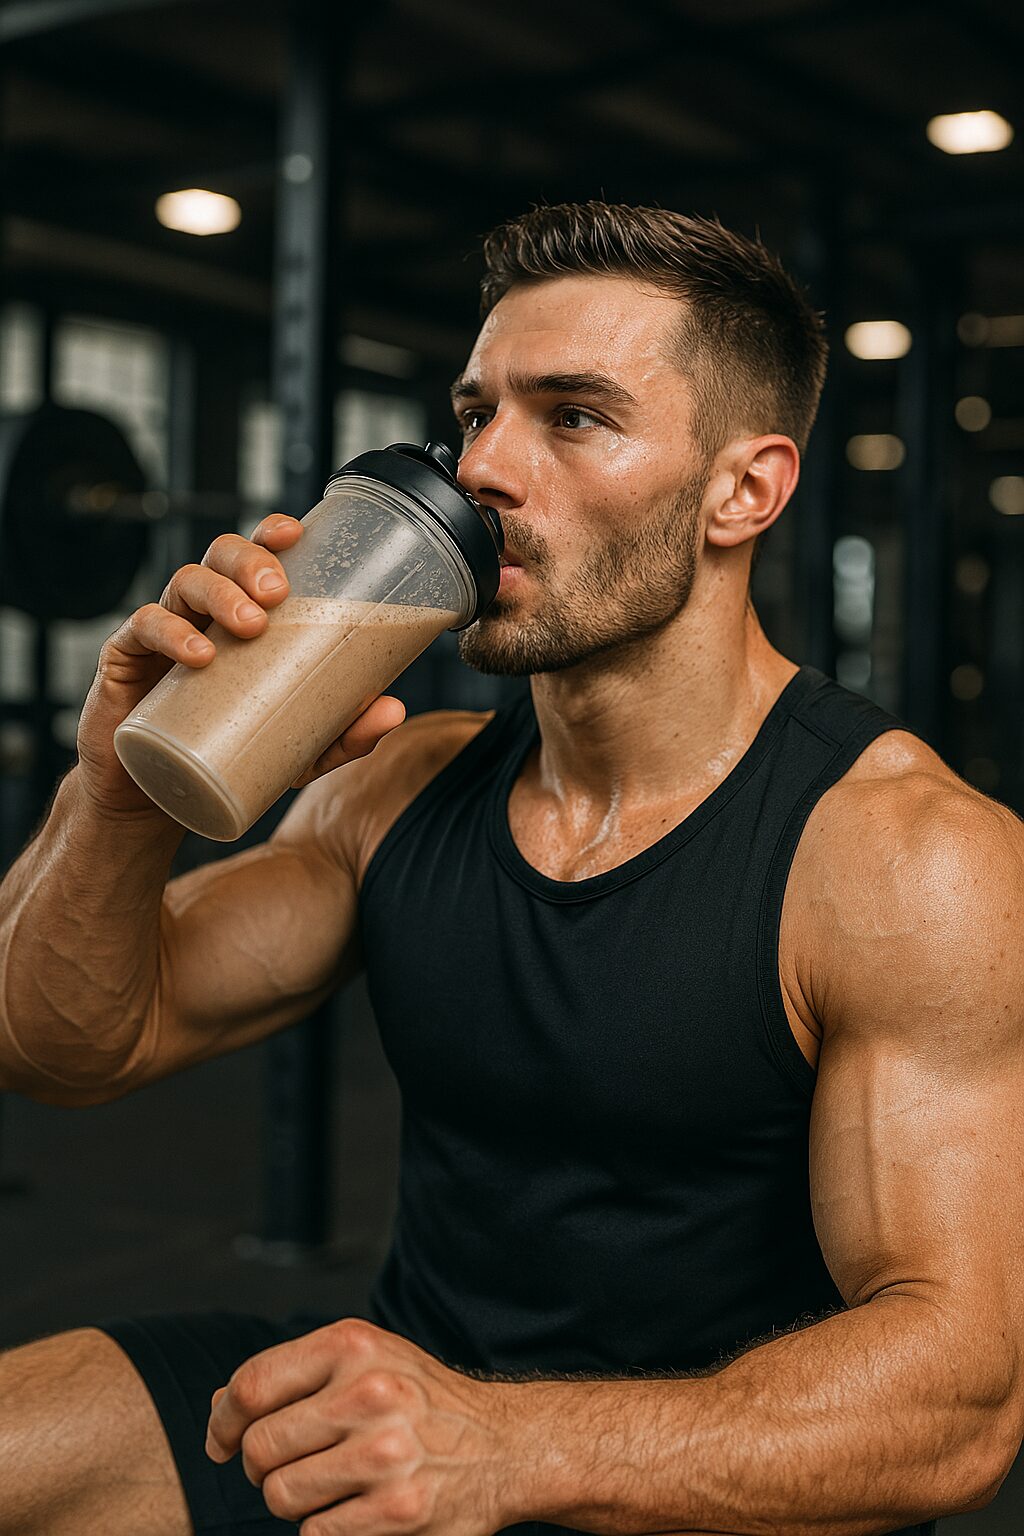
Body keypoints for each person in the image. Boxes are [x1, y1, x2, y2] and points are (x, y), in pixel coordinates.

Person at [0, 201, 1021, 1536]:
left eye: (573, 415)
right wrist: (121, 788)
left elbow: (957, 1400)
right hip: (403, 1423)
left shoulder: (905, 857)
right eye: (475, 411)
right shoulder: (401, 784)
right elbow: (65, 1044)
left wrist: (504, 1445)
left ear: (745, 489)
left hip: (706, 1489)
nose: (484, 464)